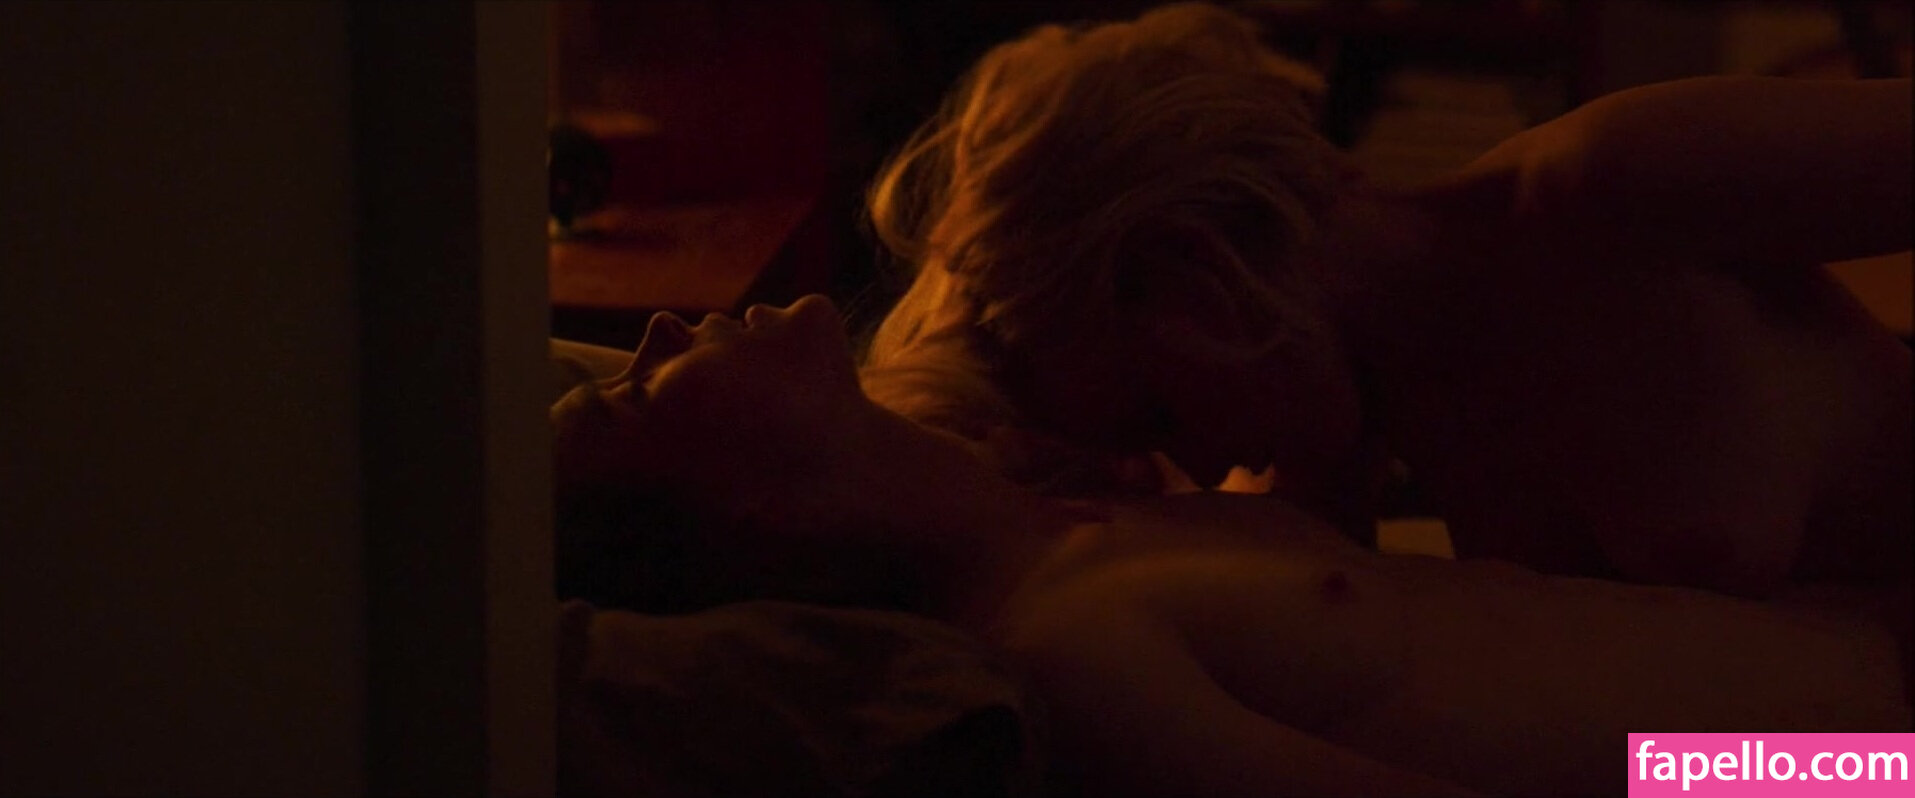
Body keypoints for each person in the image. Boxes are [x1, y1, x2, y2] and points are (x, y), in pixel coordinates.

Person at [551, 295, 1908, 797]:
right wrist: (1835, 774)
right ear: (761, 513)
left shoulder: (1081, 509)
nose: (657, 333)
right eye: (636, 395)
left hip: (1860, 626)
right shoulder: (1073, 649)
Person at [858, 2, 1913, 603]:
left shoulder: (1611, 187)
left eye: (1163, 413)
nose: (1208, 461)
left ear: (1195, 268)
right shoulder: (1341, 464)